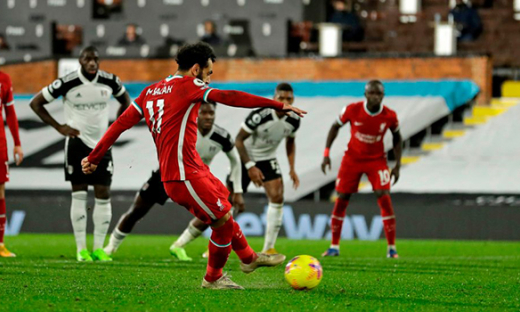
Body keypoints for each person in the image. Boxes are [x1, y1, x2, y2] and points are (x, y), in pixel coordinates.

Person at [82, 42, 306, 289]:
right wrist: (275, 104)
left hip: (194, 169)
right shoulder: (189, 85)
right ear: (196, 69)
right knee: (221, 222)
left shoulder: (149, 92)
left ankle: (248, 258)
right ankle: (214, 278)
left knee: (226, 212)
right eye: (209, 73)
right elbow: (229, 96)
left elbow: (120, 124)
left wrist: (94, 157)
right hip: (182, 175)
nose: (209, 79)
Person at [104, 102, 245, 262]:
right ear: (195, 114)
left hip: (196, 180)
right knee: (137, 210)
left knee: (217, 213)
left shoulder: (222, 136)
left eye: (211, 113)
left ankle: (179, 245)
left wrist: (238, 190)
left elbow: (235, 161)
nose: (207, 117)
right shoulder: (182, 130)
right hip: (166, 175)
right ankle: (110, 248)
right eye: (203, 113)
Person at [29, 46, 131, 262]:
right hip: (77, 143)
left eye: (95, 59)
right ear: (80, 61)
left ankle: (98, 249)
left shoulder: (110, 80)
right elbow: (36, 103)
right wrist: (59, 127)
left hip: (102, 145)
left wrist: (116, 126)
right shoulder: (67, 82)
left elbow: (126, 102)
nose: (92, 63)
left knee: (103, 193)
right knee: (80, 193)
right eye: (88, 59)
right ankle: (81, 249)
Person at [321, 80, 402, 258]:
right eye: (371, 93)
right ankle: (334, 246)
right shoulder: (352, 109)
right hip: (352, 159)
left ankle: (391, 248)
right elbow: (335, 126)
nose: (375, 96)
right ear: (365, 94)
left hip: (377, 160)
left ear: (383, 95)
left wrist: (397, 165)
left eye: (378, 93)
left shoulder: (390, 116)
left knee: (384, 195)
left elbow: (397, 137)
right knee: (342, 197)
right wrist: (326, 154)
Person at [234, 83, 300, 257]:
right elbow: (239, 140)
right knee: (229, 202)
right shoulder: (260, 115)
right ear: (274, 98)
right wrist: (250, 166)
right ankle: (217, 245)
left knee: (277, 196)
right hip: (245, 157)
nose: (285, 101)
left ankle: (268, 247)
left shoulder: (294, 118)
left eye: (289, 98)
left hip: (267, 158)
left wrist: (292, 168)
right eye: (281, 98)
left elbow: (290, 142)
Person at [0, 70, 23, 257]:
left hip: (0, 143)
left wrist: (17, 143)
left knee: (0, 190)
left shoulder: (4, 78)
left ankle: (0, 245)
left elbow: (10, 112)